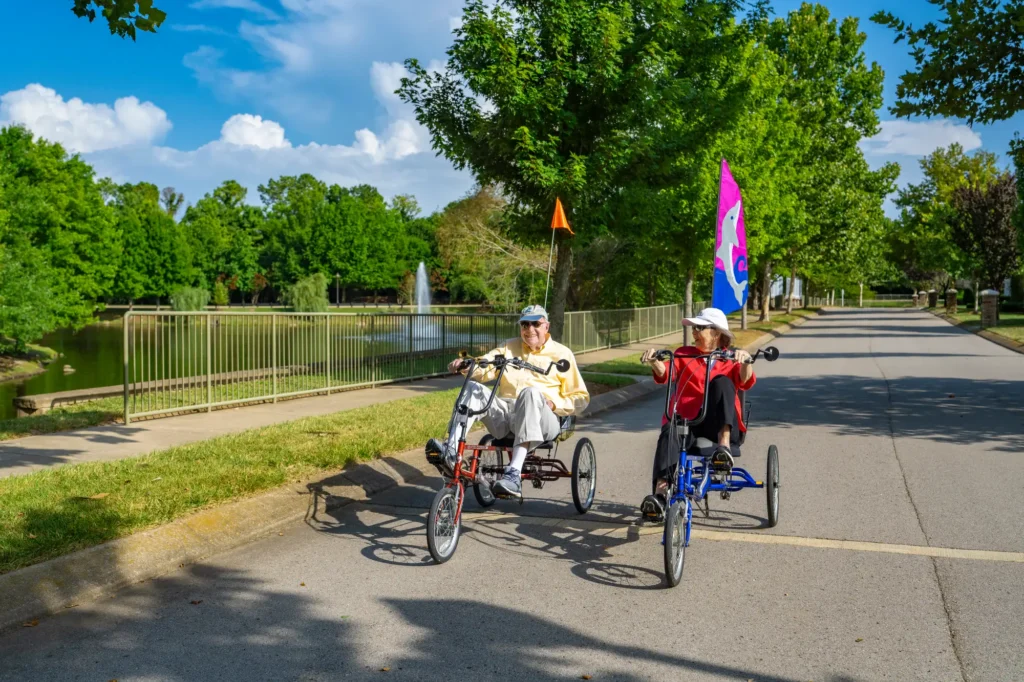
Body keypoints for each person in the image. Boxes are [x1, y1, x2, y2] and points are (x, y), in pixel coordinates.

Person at [425, 304, 590, 497]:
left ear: (547, 326)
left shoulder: (562, 354)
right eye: (525, 325)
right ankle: (451, 451)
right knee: (472, 388)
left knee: (530, 393)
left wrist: (555, 404)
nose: (529, 329)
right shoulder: (509, 347)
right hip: (507, 416)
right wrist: (466, 365)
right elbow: (485, 364)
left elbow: (581, 398)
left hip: (544, 419)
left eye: (536, 323)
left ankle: (513, 474)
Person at [638, 307, 755, 520]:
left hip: (718, 423)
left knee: (722, 383)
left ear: (716, 333)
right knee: (670, 429)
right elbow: (666, 373)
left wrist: (746, 362)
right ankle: (660, 497)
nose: (694, 332)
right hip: (688, 421)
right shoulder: (684, 354)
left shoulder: (730, 357)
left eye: (699, 328)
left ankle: (723, 449)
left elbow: (744, 380)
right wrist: (654, 362)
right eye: (694, 328)